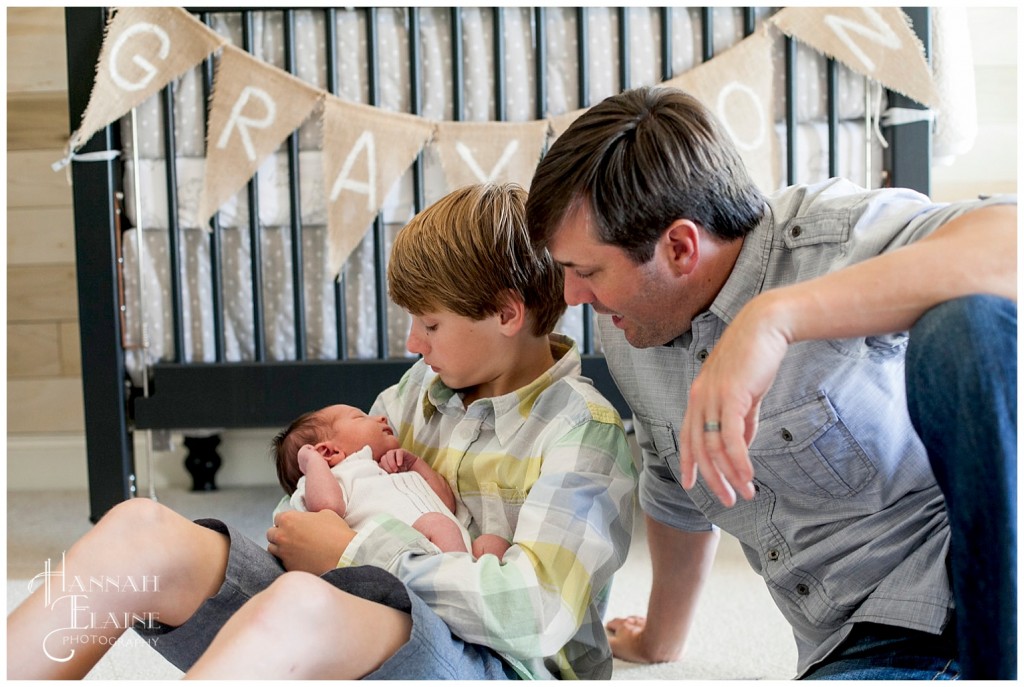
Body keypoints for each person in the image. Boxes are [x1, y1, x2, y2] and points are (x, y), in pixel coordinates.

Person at [7, 183, 637, 680]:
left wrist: (349, 552)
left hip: (493, 665)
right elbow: (315, 507)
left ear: (506, 313)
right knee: (138, 530)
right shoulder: (420, 392)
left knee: (299, 605)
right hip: (354, 612)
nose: (412, 342)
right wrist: (319, 521)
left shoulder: (581, 434)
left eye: (431, 324)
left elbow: (532, 617)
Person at [525, 86, 1016, 680]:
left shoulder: (832, 239)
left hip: (981, 573)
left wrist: (773, 320)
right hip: (873, 644)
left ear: (680, 247)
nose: (574, 297)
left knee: (967, 326)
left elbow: (1010, 246)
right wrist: (659, 638)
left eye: (588, 271)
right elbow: (677, 486)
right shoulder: (631, 334)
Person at [274, 403, 511, 559]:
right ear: (328, 452)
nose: (380, 417)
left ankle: (476, 596)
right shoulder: (332, 478)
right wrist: (312, 462)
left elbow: (447, 504)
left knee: (493, 542)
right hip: (406, 556)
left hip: (456, 548)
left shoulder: (389, 470)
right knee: (438, 524)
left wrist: (416, 464)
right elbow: (328, 507)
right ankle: (460, 585)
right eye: (360, 417)